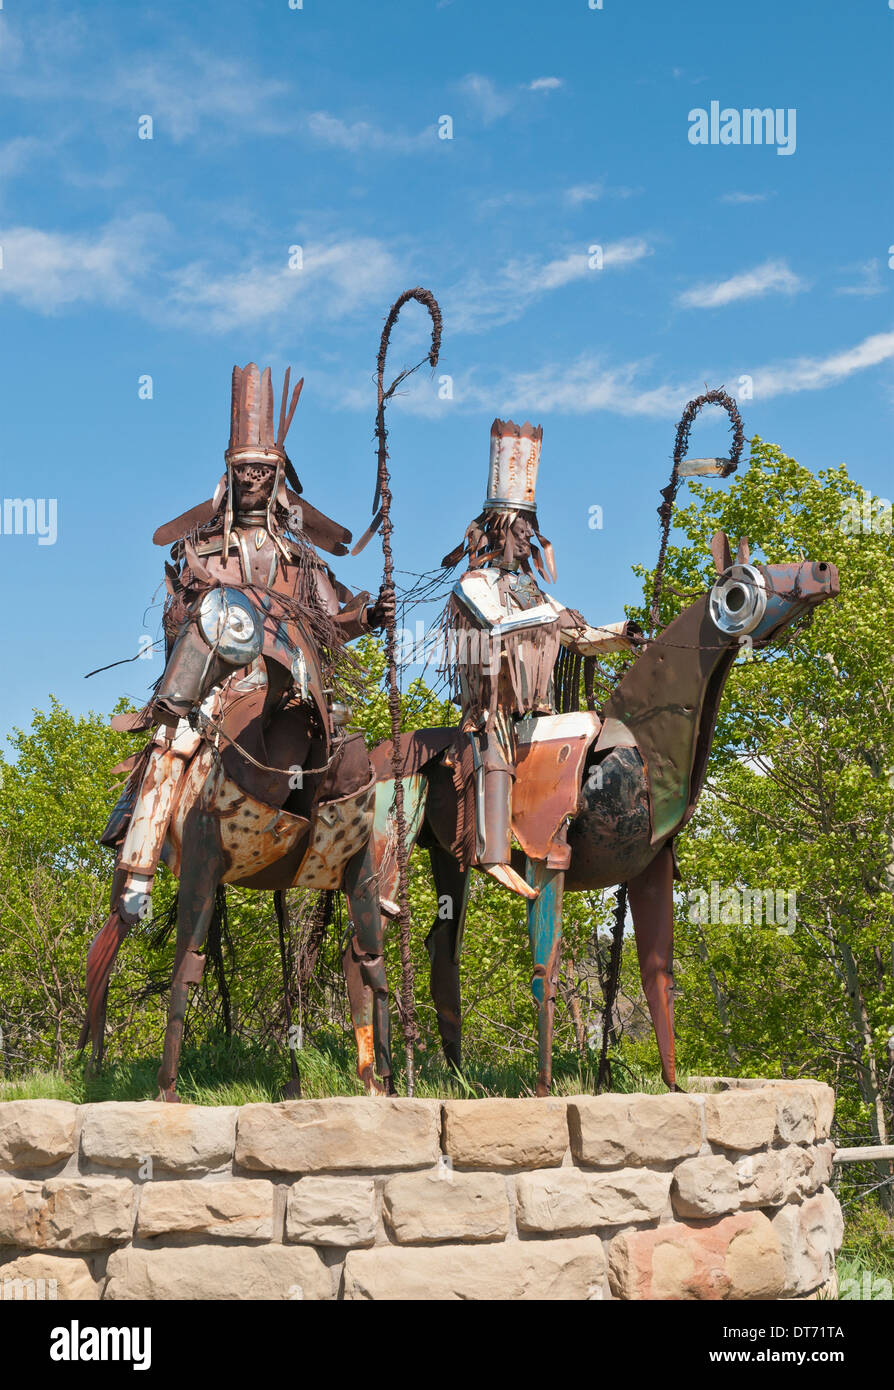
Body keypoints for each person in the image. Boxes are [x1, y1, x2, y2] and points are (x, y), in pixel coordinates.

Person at [442, 417, 639, 898]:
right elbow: (495, 627)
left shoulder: (535, 594)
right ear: (496, 532)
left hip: (539, 710)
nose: (528, 538)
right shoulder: (473, 586)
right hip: (493, 714)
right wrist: (553, 621)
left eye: (531, 530)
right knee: (492, 749)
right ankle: (491, 851)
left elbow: (580, 637)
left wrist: (623, 634)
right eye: (521, 530)